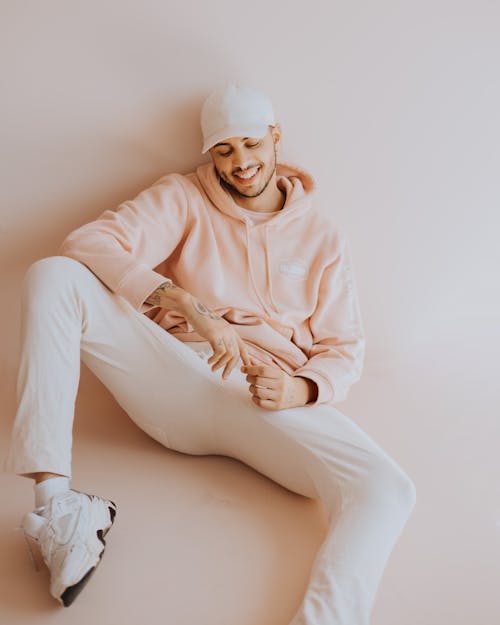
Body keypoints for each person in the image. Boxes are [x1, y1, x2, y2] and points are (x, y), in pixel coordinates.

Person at [3, 83, 416, 623]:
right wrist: (185, 303)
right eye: (224, 150)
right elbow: (88, 242)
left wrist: (302, 387)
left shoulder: (323, 238)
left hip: (263, 399)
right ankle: (58, 511)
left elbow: (344, 348)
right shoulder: (182, 197)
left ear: (275, 138)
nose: (240, 162)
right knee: (53, 275)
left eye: (250, 144)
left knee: (387, 489)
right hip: (171, 375)